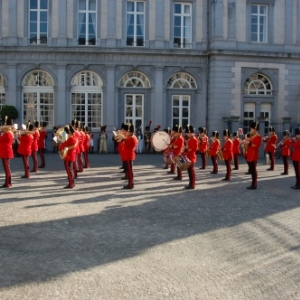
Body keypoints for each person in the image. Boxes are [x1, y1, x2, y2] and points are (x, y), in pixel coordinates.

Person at [244, 121, 262, 190]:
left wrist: (249, 143)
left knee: (254, 171)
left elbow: (256, 146)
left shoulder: (258, 136)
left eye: (251, 129)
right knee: (251, 170)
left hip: (254, 154)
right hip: (249, 154)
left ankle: (254, 184)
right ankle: (252, 183)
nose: (250, 130)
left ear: (255, 129)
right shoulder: (252, 136)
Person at [121, 123, 138, 189]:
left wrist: (123, 140)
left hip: (129, 155)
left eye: (127, 131)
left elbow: (127, 145)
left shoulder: (132, 138)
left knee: (130, 171)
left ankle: (130, 184)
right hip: (128, 155)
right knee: (129, 170)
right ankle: (130, 183)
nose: (126, 133)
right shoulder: (130, 137)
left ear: (130, 132)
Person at [0, 117, 14, 188]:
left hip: (6, 152)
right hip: (6, 151)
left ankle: (7, 183)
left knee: (7, 168)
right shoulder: (8, 133)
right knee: (7, 168)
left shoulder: (7, 134)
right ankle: (8, 182)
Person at [184, 125, 198, 189]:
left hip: (191, 157)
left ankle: (192, 185)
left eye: (189, 133)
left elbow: (195, 148)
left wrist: (188, 149)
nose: (188, 134)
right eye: (187, 133)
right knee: (189, 171)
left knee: (191, 171)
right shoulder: (189, 139)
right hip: (188, 156)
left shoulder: (194, 139)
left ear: (192, 133)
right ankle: (190, 184)